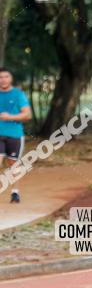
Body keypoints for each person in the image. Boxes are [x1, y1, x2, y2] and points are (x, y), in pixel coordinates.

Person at [0, 67, 33, 203]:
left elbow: (27, 114)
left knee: (13, 165)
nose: (3, 79)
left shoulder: (18, 94)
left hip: (15, 135)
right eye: (0, 77)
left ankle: (15, 193)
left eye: (6, 76)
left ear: (10, 78)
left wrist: (10, 117)